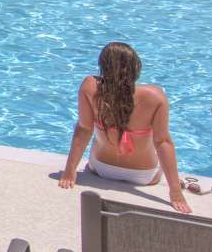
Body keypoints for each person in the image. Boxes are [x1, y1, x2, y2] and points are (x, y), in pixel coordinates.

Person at [57, 41, 203, 213]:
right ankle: (179, 183)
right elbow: (163, 143)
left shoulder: (89, 87)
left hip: (102, 169)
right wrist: (175, 193)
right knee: (161, 144)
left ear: (103, 66)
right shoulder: (155, 97)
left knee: (94, 136)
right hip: (144, 176)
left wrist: (69, 171)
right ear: (135, 68)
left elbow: (84, 129)